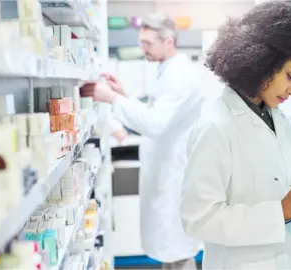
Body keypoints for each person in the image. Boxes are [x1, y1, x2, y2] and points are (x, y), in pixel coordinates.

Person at [180, 3, 291, 269]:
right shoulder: (215, 127)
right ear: (261, 60)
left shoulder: (284, 122)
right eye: (290, 76)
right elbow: (198, 218)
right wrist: (278, 212)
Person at [81, 12, 201, 270]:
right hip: (164, 169)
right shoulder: (166, 70)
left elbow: (155, 124)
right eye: (141, 42)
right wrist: (123, 94)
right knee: (171, 253)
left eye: (148, 43)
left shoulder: (181, 76)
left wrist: (113, 99)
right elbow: (155, 113)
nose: (142, 48)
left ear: (168, 41)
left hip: (175, 174)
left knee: (178, 251)